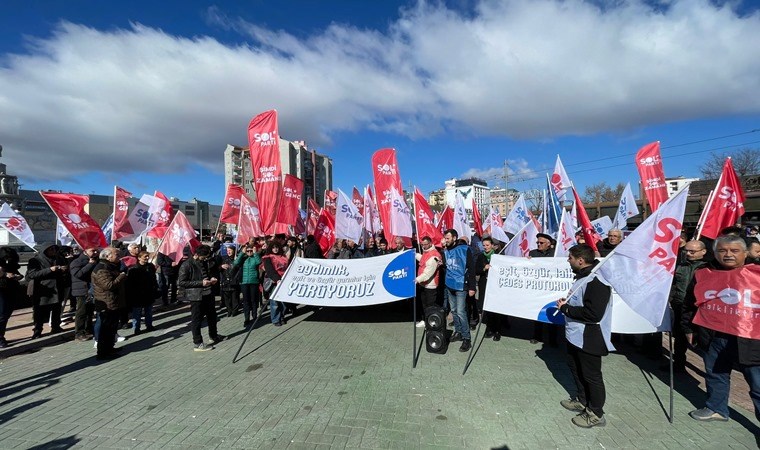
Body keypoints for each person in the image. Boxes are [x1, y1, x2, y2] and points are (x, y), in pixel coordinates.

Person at [683, 235, 760, 423]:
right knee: (716, 374)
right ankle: (716, 408)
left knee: (757, 384)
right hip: (714, 335)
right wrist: (687, 327)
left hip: (751, 339)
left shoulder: (757, 273)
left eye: (734, 251)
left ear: (745, 252)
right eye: (722, 250)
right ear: (715, 252)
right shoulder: (704, 272)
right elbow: (690, 302)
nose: (728, 255)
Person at [556, 244, 613, 428]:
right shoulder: (584, 277)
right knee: (576, 369)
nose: (568, 260)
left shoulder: (596, 281)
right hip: (576, 335)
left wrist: (566, 308)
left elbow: (593, 314)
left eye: (570, 257)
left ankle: (596, 413)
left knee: (591, 376)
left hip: (590, 337)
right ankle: (582, 400)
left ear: (580, 260)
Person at [661, 239, 707, 373]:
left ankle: (709, 371)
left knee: (701, 340)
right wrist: (669, 300)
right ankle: (678, 364)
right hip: (679, 306)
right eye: (686, 251)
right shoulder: (681, 266)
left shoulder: (707, 268)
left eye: (692, 251)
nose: (688, 254)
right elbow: (674, 286)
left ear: (703, 252)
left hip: (698, 309)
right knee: (680, 338)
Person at [177, 245, 225, 351]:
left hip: (208, 294)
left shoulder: (204, 262)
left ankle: (213, 336)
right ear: (197, 254)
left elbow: (205, 275)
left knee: (212, 316)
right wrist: (201, 283)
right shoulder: (187, 265)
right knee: (197, 320)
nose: (206, 258)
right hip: (196, 296)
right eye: (204, 256)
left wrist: (210, 279)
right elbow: (182, 282)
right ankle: (197, 343)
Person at [91, 247, 128, 360]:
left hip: (114, 301)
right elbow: (108, 285)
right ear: (108, 256)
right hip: (106, 303)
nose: (119, 257)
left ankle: (110, 347)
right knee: (105, 328)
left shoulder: (111, 266)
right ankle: (102, 352)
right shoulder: (101, 268)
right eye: (116, 255)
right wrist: (121, 276)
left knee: (112, 328)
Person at [443, 229, 476, 352]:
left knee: (461, 311)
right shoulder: (446, 250)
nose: (445, 240)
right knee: (454, 310)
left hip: (461, 285)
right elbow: (446, 265)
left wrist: (472, 287)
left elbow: (471, 268)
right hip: (449, 284)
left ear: (454, 238)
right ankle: (458, 332)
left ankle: (467, 338)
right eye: (445, 238)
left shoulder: (464, 249)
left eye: (448, 238)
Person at [26, 243, 67, 339]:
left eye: (54, 249)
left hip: (57, 288)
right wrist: (49, 270)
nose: (53, 251)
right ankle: (37, 330)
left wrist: (63, 269)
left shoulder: (58, 258)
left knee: (57, 309)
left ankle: (56, 326)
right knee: (40, 311)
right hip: (44, 290)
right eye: (51, 249)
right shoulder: (35, 260)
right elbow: (32, 274)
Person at [530, 233, 558, 346]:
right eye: (537, 242)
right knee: (538, 313)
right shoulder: (533, 253)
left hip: (552, 289)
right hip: (538, 288)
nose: (538, 244)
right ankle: (537, 335)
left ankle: (553, 339)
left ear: (549, 244)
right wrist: (527, 261)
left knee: (553, 313)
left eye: (541, 243)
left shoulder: (556, 254)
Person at [69, 247, 99, 341]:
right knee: (81, 312)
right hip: (82, 290)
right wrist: (90, 265)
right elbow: (78, 274)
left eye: (96, 251)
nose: (95, 252)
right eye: (92, 251)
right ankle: (79, 332)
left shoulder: (96, 261)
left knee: (90, 312)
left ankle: (88, 330)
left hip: (92, 290)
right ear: (85, 251)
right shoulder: (77, 262)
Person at [476, 237, 502, 341]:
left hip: (496, 286)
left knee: (496, 308)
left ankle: (497, 331)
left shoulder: (498, 256)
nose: (485, 247)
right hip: (484, 285)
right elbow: (476, 270)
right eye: (484, 245)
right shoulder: (481, 256)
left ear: (492, 245)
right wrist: (484, 268)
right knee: (487, 308)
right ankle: (490, 328)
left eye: (487, 245)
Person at [126, 251, 158, 335]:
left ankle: (149, 325)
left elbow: (154, 278)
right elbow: (130, 283)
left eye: (148, 256)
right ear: (139, 258)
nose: (147, 258)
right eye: (145, 257)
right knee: (137, 312)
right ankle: (136, 328)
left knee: (149, 311)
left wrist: (155, 288)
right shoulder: (134, 269)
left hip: (148, 292)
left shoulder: (150, 266)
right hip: (137, 294)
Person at [415, 236, 442, 328]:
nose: (424, 246)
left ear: (430, 243)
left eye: (425, 244)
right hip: (423, 284)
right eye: (422, 244)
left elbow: (428, 273)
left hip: (430, 285)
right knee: (424, 304)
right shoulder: (427, 253)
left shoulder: (434, 256)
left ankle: (430, 322)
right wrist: (414, 254)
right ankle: (425, 320)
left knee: (430, 305)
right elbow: (423, 259)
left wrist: (417, 280)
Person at [262, 242, 290, 326]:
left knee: (283, 302)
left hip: (284, 280)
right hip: (274, 281)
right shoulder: (267, 257)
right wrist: (277, 279)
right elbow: (269, 270)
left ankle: (281, 316)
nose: (275, 249)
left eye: (277, 247)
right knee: (275, 302)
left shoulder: (283, 257)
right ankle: (275, 319)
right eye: (273, 247)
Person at [0, 247, 23, 348]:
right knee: (2, 315)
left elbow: (18, 273)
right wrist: (4, 274)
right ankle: (0, 338)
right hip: (1, 289)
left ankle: (1, 336)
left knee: (6, 315)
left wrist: (17, 276)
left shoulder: (12, 264)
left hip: (11, 289)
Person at [235, 243, 262, 328]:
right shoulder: (243, 258)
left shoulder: (255, 258)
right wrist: (242, 253)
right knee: (246, 301)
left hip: (254, 281)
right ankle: (246, 318)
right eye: (248, 251)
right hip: (244, 282)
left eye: (251, 251)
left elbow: (259, 262)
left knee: (254, 300)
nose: (249, 252)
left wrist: (255, 253)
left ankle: (254, 317)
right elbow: (236, 263)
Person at [218, 245, 241, 317]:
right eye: (227, 251)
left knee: (234, 297)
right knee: (227, 298)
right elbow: (218, 268)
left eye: (230, 250)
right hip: (225, 281)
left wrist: (236, 261)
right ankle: (229, 310)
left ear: (234, 250)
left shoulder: (237, 259)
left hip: (234, 280)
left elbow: (239, 269)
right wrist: (221, 266)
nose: (228, 252)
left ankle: (235, 310)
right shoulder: (224, 259)